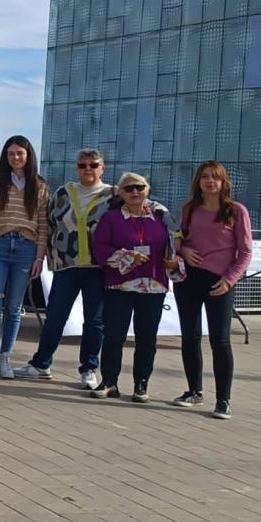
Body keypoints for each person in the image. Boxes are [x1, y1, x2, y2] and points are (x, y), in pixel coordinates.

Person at [13, 148, 112, 388]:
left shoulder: (115, 195)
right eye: (82, 165)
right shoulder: (62, 194)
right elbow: (46, 225)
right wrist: (43, 256)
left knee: (95, 321)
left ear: (102, 167)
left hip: (98, 267)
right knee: (56, 317)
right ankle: (41, 364)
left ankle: (89, 369)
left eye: (93, 164)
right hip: (66, 267)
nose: (88, 169)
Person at [172, 161, 252, 421]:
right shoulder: (188, 209)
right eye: (205, 177)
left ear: (223, 182)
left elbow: (246, 252)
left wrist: (230, 279)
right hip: (188, 281)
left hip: (219, 283)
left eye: (215, 178)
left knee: (220, 340)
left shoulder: (236, 211)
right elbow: (178, 239)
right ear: (198, 181)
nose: (210, 181)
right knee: (190, 337)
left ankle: (223, 400)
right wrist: (183, 250)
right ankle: (194, 391)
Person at [91, 172, 178, 402]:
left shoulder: (161, 217)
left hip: (153, 285)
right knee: (114, 336)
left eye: (139, 187)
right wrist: (126, 257)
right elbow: (99, 250)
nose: (135, 192)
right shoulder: (110, 218)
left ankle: (141, 383)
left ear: (147, 190)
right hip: (121, 285)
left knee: (147, 338)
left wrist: (173, 259)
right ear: (120, 192)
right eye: (129, 188)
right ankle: (109, 381)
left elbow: (174, 245)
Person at [0, 135, 49, 381]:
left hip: (26, 249)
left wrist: (39, 257)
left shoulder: (39, 186)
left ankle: (6, 358)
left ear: (28, 155)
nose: (15, 158)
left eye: (20, 153)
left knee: (14, 308)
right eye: (10, 154)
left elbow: (43, 224)